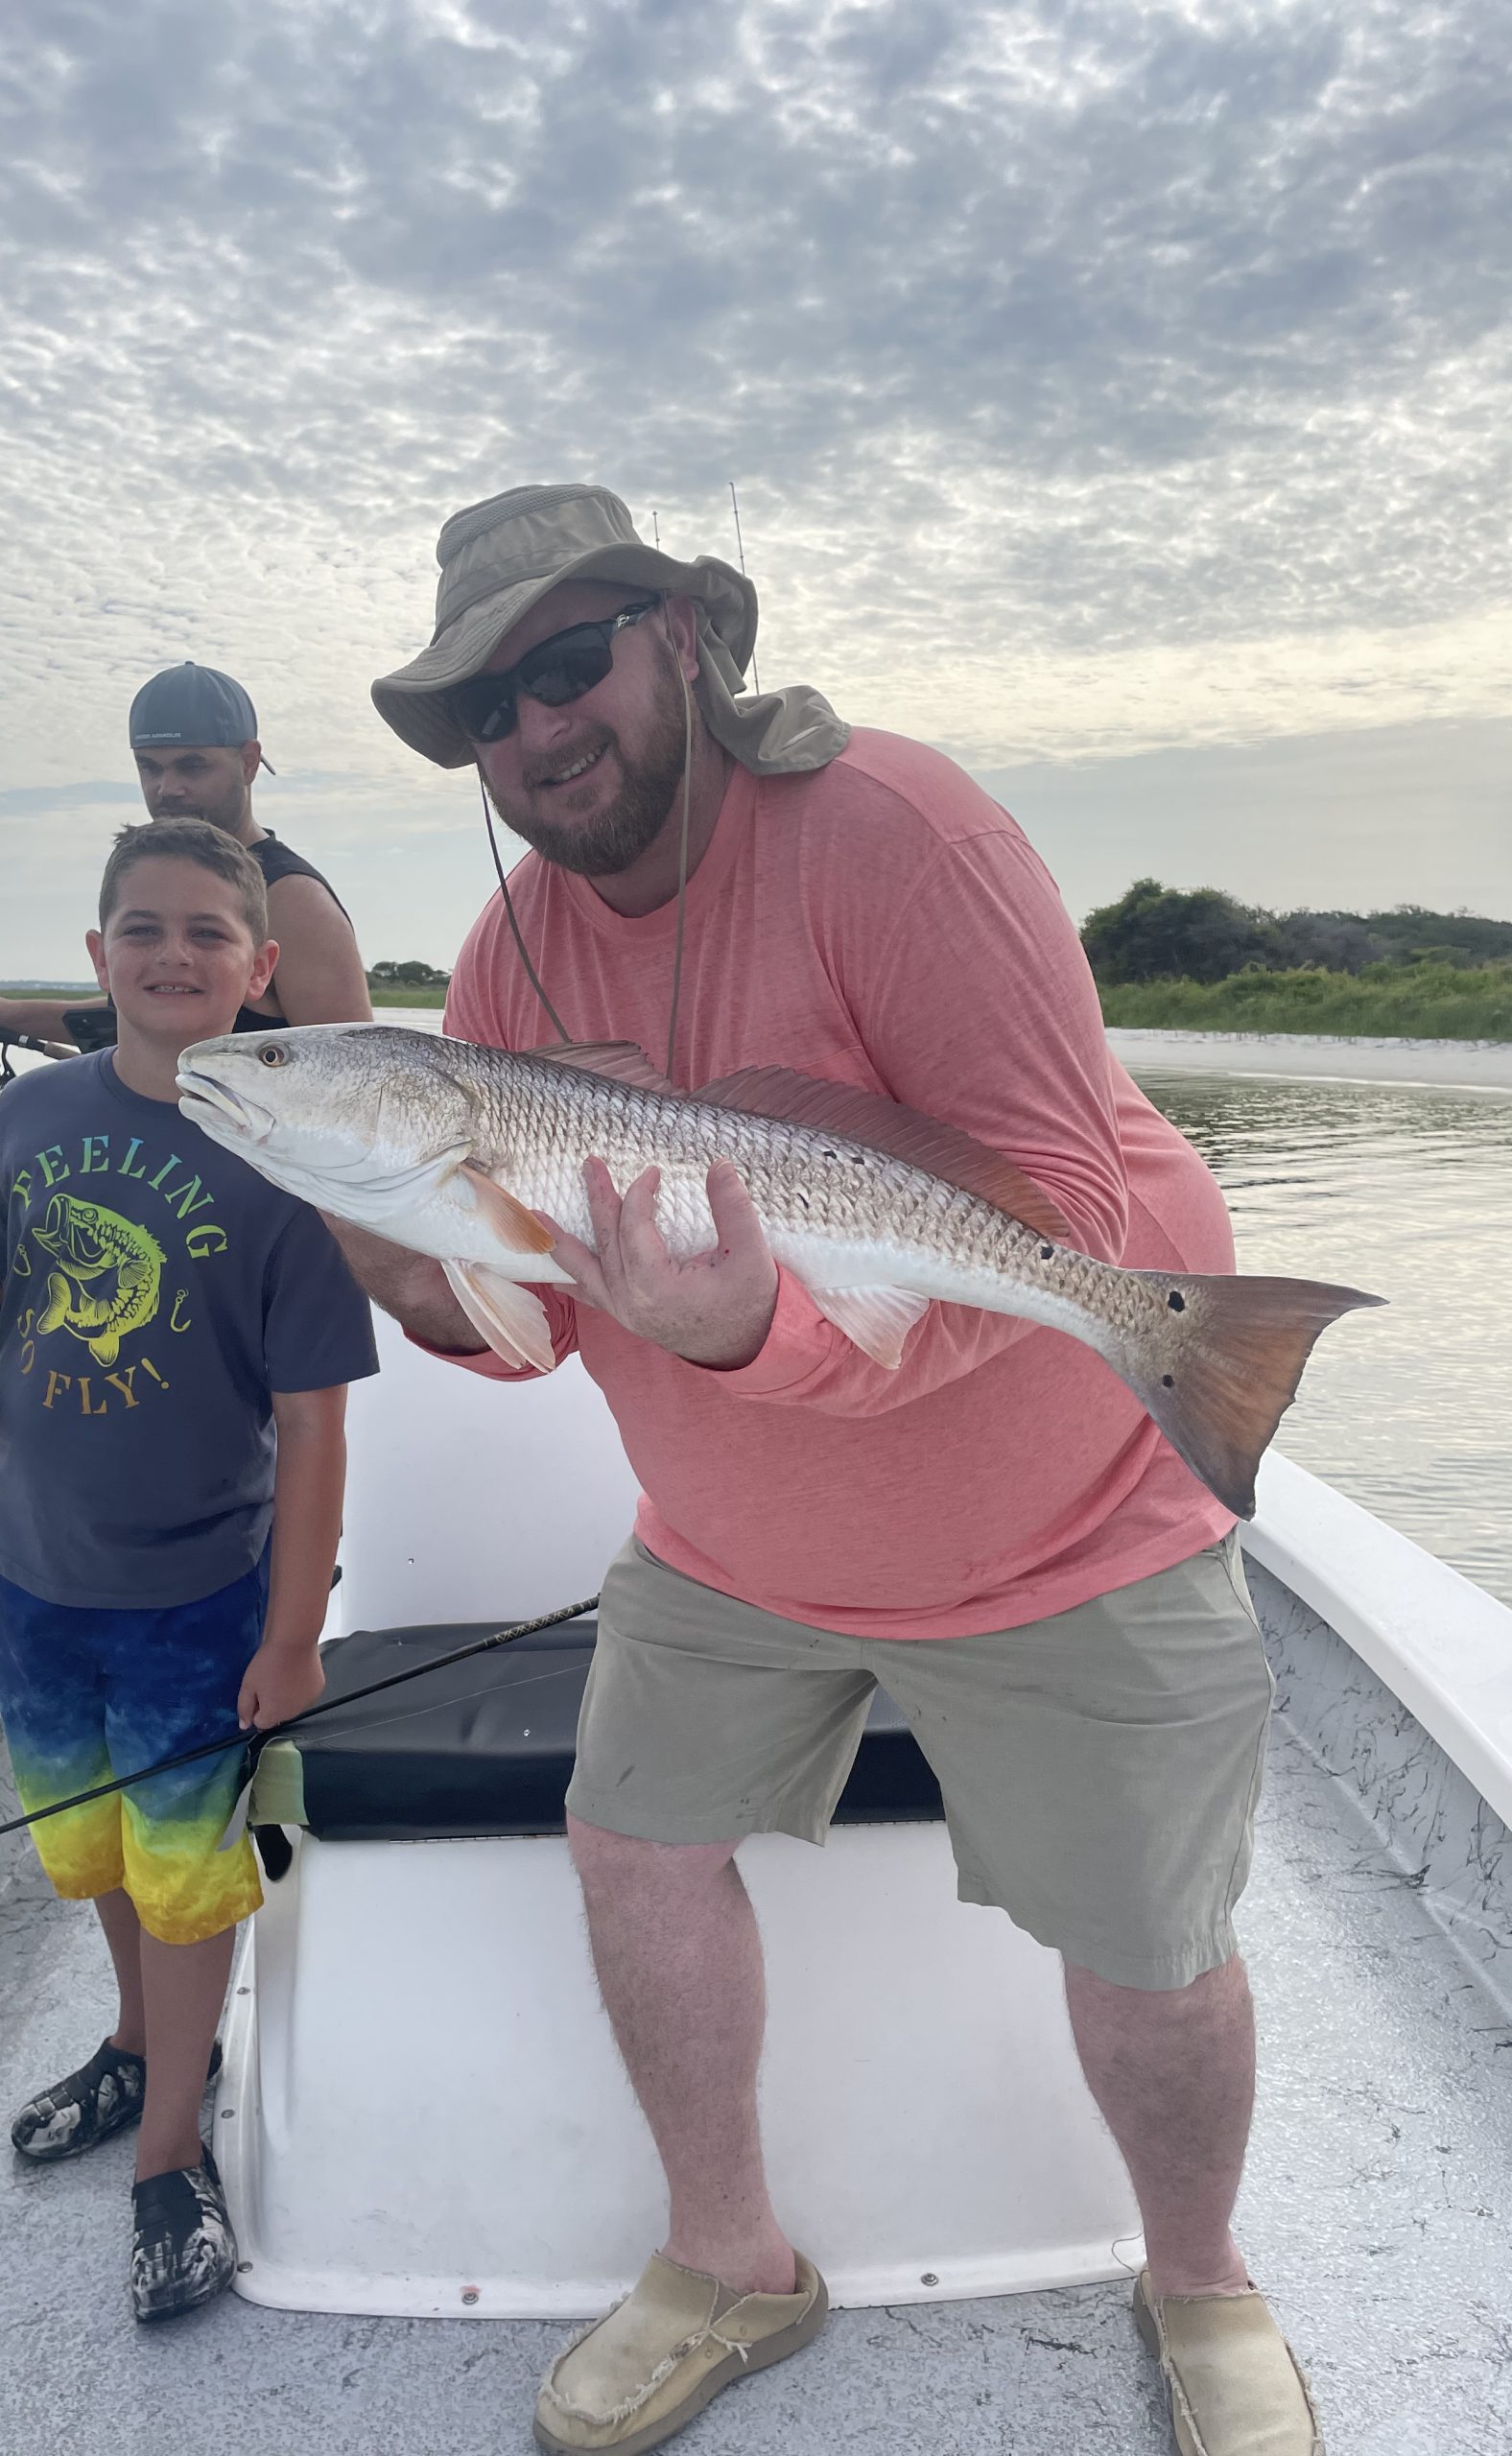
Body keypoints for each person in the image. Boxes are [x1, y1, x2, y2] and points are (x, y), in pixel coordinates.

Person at [339, 484, 1319, 2455]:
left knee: (1152, 1935)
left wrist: (749, 1331)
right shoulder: (498, 965)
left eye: (564, 663)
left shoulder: (904, 836)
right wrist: (416, 1276)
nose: (532, 732)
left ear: (683, 637)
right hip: (731, 1540)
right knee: (632, 1845)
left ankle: (1201, 2271)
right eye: (480, 715)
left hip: (1072, 1515)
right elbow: (528, 1326)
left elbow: (1051, 1206)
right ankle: (732, 2258)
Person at [0, 817, 377, 2323]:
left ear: (262, 970)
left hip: (195, 1602)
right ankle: (140, 2044)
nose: (173, 955)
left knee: (185, 1884)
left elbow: (313, 1432)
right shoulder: (35, 1112)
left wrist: (294, 1637)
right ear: (97, 957)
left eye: (206, 935)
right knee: (92, 1859)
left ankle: (172, 2147)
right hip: (33, 1579)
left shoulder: (290, 1164)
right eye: (143, 930)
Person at [0, 661, 372, 1051]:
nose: (167, 789)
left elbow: (360, 1073)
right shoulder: (160, 880)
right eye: (149, 767)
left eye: (192, 766)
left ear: (249, 763)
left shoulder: (293, 898)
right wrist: (6, 1013)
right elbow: (136, 1010)